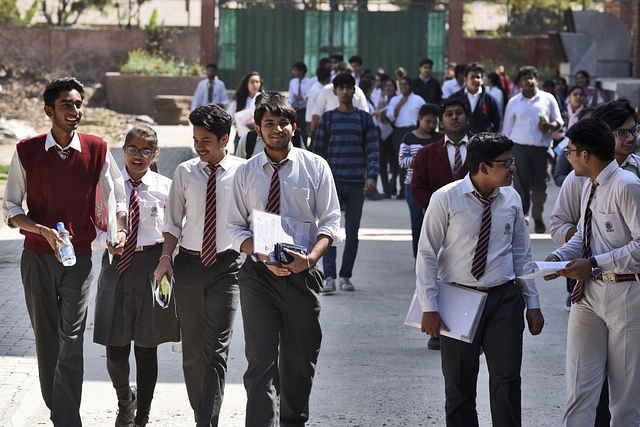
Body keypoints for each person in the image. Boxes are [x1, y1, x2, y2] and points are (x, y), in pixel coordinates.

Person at [2, 77, 127, 427]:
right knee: (47, 339)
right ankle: (60, 410)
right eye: (66, 105)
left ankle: (66, 420)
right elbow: (11, 207)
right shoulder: (26, 151)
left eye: (78, 104)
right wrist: (40, 229)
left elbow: (114, 194)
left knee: (71, 339)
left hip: (81, 260)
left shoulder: (97, 148)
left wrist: (119, 230)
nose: (75, 111)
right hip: (38, 259)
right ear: (48, 110)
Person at [225, 92, 341, 427]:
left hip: (302, 275)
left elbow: (332, 221)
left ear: (294, 126)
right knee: (259, 360)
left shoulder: (315, 166)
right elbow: (234, 225)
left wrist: (311, 259)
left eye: (282, 123)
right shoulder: (245, 173)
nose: (277, 129)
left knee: (299, 359)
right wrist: (256, 252)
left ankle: (293, 421)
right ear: (257, 131)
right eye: (268, 124)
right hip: (258, 276)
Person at [417, 132, 544, 427]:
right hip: (458, 299)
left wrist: (532, 303)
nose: (513, 168)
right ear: (483, 167)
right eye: (506, 163)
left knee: (507, 380)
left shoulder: (512, 198)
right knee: (459, 387)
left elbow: (521, 253)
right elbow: (426, 254)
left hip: (504, 299)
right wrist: (429, 305)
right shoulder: (445, 198)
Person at [544, 117, 640, 426]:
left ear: (585, 155)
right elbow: (585, 240)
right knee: (579, 389)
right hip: (587, 295)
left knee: (624, 399)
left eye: (570, 150)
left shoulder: (627, 185)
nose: (567, 156)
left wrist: (596, 264)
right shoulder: (588, 184)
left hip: (625, 294)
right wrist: (558, 259)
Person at [154, 104, 245, 427]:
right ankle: (201, 415)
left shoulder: (243, 172)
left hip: (228, 268)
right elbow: (172, 223)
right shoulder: (184, 172)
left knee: (216, 350)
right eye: (195, 139)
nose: (199, 146)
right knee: (192, 352)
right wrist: (166, 258)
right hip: (190, 267)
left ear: (225, 139)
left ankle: (207, 421)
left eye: (206, 140)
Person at [93, 125, 180, 427]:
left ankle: (142, 416)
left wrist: (168, 262)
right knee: (115, 349)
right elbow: (92, 226)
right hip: (116, 266)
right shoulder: (108, 186)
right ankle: (124, 400)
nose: (138, 156)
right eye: (133, 149)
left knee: (146, 347)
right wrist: (106, 241)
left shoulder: (166, 187)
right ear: (123, 151)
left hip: (153, 265)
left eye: (146, 150)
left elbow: (174, 229)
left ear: (155, 154)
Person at [410, 98, 471, 351]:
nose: (454, 118)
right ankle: (437, 328)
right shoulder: (426, 153)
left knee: (467, 272)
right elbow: (417, 188)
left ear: (467, 118)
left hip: (473, 223)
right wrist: (439, 208)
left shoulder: (481, 151)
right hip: (437, 221)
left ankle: (470, 325)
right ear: (441, 121)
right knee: (438, 271)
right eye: (449, 114)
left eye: (459, 113)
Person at [313, 72, 379, 293]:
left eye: (348, 87)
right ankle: (329, 276)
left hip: (356, 183)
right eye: (340, 88)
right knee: (330, 231)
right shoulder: (327, 118)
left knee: (352, 232)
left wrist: (372, 176)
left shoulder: (364, 118)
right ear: (335, 91)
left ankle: (346, 276)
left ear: (354, 90)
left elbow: (373, 149)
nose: (344, 91)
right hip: (331, 183)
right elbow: (318, 153)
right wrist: (317, 180)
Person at [503, 65, 563, 234]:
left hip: (542, 149)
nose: (528, 81)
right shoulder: (513, 102)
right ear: (520, 83)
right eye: (524, 78)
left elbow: (559, 121)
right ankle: (524, 216)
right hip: (519, 148)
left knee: (540, 188)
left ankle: (537, 215)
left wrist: (550, 125)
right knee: (521, 184)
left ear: (536, 80)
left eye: (531, 77)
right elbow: (507, 129)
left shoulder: (547, 99)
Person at [398, 103, 441, 258]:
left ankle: (434, 257)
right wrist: (420, 160)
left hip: (435, 187)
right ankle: (419, 257)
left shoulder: (438, 138)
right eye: (427, 121)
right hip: (413, 185)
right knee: (417, 223)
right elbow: (402, 161)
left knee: (435, 224)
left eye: (433, 122)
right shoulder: (409, 137)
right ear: (419, 118)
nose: (430, 125)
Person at [386, 76, 426, 199]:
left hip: (414, 130)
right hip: (398, 131)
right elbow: (391, 117)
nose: (403, 87)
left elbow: (425, 114)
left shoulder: (418, 99)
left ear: (410, 86)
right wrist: (400, 102)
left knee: (416, 160)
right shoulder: (395, 99)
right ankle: (402, 190)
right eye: (401, 84)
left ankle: (416, 187)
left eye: (406, 84)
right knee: (402, 161)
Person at [310, 61, 369, 136]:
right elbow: (317, 113)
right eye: (341, 72)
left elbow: (364, 115)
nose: (345, 92)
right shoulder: (327, 90)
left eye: (347, 73)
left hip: (353, 132)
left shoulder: (358, 92)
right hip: (331, 131)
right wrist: (313, 134)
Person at [450, 62, 501, 134]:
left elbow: (497, 121)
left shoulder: (489, 99)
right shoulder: (456, 98)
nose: (476, 80)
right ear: (465, 79)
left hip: (483, 141)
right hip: (462, 140)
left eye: (478, 77)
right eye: (472, 77)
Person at [371, 77, 398, 197]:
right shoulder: (380, 100)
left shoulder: (398, 99)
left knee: (395, 162)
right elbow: (378, 117)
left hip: (395, 132)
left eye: (391, 85)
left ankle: (393, 184)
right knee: (382, 162)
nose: (389, 88)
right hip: (382, 134)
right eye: (386, 86)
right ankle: (386, 189)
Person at [227, 71, 262, 147]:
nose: (255, 84)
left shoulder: (264, 99)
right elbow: (228, 116)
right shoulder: (239, 99)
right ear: (247, 84)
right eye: (252, 82)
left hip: (259, 136)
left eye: (257, 82)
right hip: (241, 135)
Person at [305, 66, 332, 151]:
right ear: (328, 78)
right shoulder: (320, 91)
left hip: (310, 119)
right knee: (314, 145)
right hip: (314, 121)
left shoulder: (315, 87)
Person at [287, 61, 311, 145]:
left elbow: (309, 95)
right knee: (294, 128)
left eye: (296, 70)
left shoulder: (309, 82)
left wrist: (302, 97)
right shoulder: (292, 82)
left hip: (305, 109)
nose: (294, 72)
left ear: (301, 71)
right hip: (295, 108)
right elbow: (291, 96)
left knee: (304, 130)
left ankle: (303, 145)